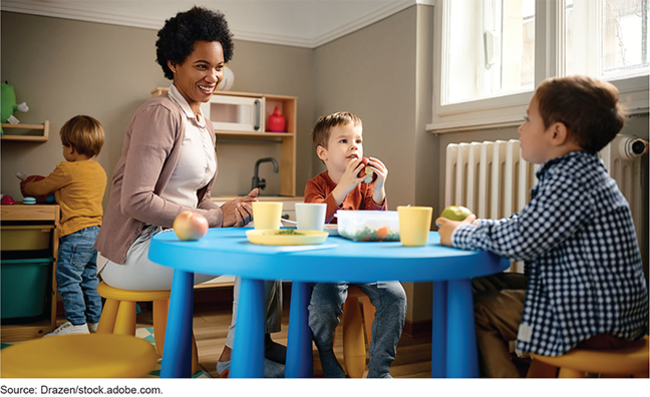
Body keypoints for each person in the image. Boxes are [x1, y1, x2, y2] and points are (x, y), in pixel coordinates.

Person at [93, 7, 285, 377]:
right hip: (133, 251)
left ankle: (242, 348)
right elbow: (136, 200)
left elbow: (196, 201)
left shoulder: (203, 125)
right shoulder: (159, 113)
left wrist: (233, 210)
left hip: (176, 237)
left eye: (219, 66)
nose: (213, 76)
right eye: (201, 66)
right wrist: (216, 217)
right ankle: (240, 356)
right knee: (257, 258)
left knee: (265, 237)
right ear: (173, 63)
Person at [436, 75, 649, 378]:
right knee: (479, 283)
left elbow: (524, 239)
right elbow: (529, 223)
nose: (521, 128)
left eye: (527, 119)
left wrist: (461, 234)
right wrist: (478, 225)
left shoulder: (570, 181)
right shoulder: (580, 172)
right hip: (598, 305)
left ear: (557, 133)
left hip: (597, 316)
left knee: (475, 311)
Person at [304, 111, 407, 378]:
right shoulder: (316, 185)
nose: (354, 146)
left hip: (364, 263)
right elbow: (313, 221)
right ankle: (326, 355)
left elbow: (376, 227)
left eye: (358, 141)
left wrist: (379, 189)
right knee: (322, 308)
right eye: (343, 141)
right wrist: (342, 188)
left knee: (396, 296)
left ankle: (379, 371)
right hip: (329, 266)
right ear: (322, 153)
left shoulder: (364, 186)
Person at [21, 115, 107, 336]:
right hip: (96, 233)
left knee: (68, 279)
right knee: (89, 278)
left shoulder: (66, 168)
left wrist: (27, 186)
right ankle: (95, 322)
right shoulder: (99, 170)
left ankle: (76, 325)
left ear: (70, 148)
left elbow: (42, 188)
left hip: (76, 234)